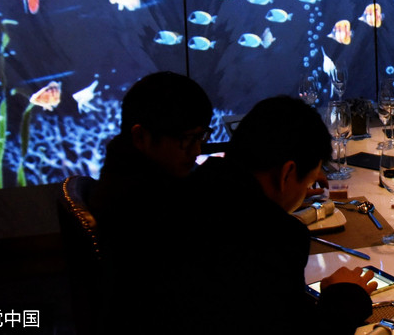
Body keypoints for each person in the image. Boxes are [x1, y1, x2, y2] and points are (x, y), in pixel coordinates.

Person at [189, 96, 375, 333]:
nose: (306, 189)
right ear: (287, 173)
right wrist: (346, 296)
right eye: (306, 182)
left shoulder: (193, 189)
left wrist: (287, 195)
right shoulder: (277, 237)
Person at [89, 71, 214, 332]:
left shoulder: (125, 174)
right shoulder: (142, 207)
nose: (196, 150)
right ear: (141, 137)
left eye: (201, 136)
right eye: (186, 139)